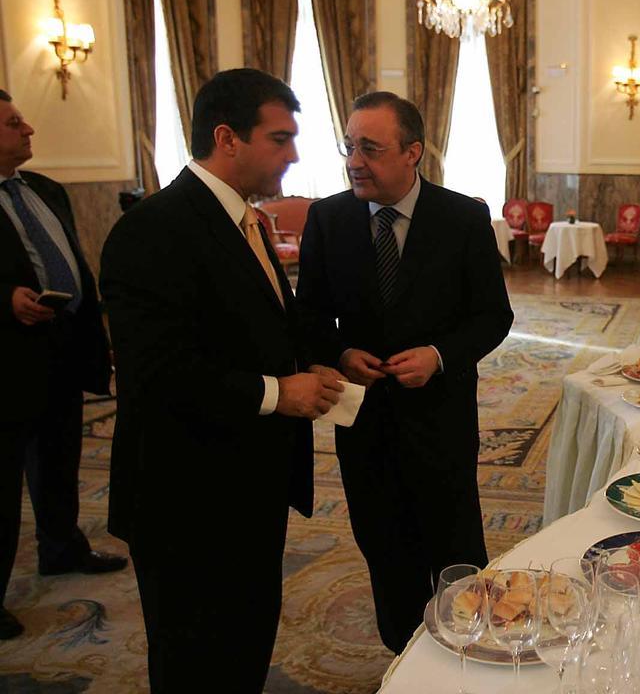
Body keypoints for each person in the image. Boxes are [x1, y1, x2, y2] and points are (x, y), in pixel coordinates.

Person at [100, 69, 345, 691]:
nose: (293, 154)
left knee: (243, 645)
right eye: (280, 138)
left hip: (248, 483)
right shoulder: (153, 229)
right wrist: (275, 393)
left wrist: (309, 366)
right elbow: (157, 373)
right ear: (226, 138)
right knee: (194, 660)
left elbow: (254, 330)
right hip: (186, 496)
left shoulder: (249, 221)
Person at [296, 91, 513, 653]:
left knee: (457, 550)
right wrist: (341, 353)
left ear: (413, 151)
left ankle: (470, 657)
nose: (353, 161)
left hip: (440, 418)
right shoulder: (329, 217)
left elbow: (493, 315)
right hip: (364, 422)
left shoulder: (463, 217)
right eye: (349, 146)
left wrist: (439, 356)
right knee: (384, 548)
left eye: (370, 147)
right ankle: (403, 661)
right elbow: (311, 315)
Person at [0, 90, 126, 640]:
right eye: (12, 123)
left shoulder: (44, 190)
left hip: (60, 348)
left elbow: (72, 260)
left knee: (59, 456)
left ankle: (61, 547)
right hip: (6, 358)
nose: (28, 128)